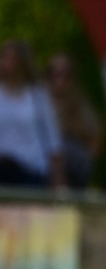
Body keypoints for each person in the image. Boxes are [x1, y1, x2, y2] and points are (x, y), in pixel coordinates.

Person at [0, 39, 66, 189]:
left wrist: (58, 178)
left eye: (13, 59)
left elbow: (52, 139)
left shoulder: (37, 96)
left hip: (30, 170)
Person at [45, 53, 105, 190]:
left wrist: (85, 157)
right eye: (53, 73)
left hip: (73, 168)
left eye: (64, 74)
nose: (58, 79)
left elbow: (96, 138)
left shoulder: (81, 105)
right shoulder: (36, 102)